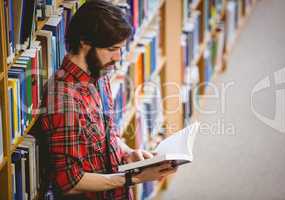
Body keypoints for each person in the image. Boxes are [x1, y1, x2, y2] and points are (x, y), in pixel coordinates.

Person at [30, 0, 177, 199]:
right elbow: (70, 183)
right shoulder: (63, 99)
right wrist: (132, 178)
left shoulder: (100, 75)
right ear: (85, 42)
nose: (118, 57)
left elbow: (109, 136)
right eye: (112, 49)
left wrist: (130, 153)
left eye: (120, 49)